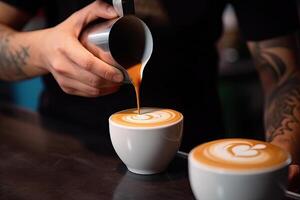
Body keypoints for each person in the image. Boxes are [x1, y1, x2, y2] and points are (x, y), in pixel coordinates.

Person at [0, 0, 299, 190]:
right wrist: (45, 49)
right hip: (64, 154)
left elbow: (284, 70)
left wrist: (283, 154)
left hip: (194, 160)